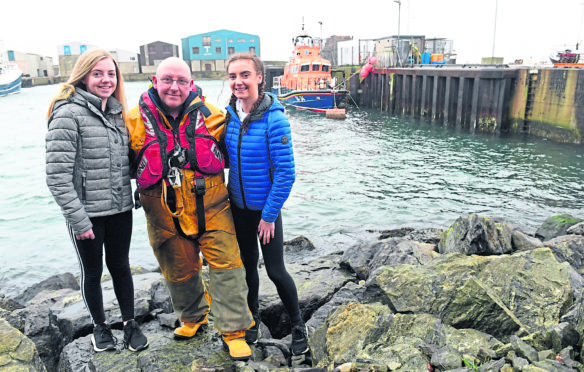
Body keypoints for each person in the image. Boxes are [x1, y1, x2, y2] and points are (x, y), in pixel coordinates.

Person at [125, 57, 253, 361]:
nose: (175, 87)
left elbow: (244, 150)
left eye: (182, 81)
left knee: (227, 265)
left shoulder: (215, 116)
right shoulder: (131, 120)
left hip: (211, 205)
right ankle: (192, 317)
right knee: (177, 268)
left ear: (191, 84)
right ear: (154, 82)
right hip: (161, 209)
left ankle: (234, 331)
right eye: (167, 79)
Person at [45, 49, 148, 353]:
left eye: (111, 74)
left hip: (119, 208)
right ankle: (100, 328)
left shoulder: (117, 113)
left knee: (121, 266)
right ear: (84, 76)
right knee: (92, 272)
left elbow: (124, 164)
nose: (106, 80)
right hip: (86, 214)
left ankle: (129, 324)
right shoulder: (67, 113)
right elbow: (57, 177)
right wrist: (78, 219)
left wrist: (148, 178)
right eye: (98, 74)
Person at [223, 53, 308, 356]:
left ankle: (299, 326)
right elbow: (221, 159)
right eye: (233, 76)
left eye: (245, 75)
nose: (238, 82)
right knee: (247, 268)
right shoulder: (230, 116)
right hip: (238, 210)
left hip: (265, 212)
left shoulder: (275, 118)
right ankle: (253, 319)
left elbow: (286, 174)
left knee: (275, 270)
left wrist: (269, 216)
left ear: (259, 77)